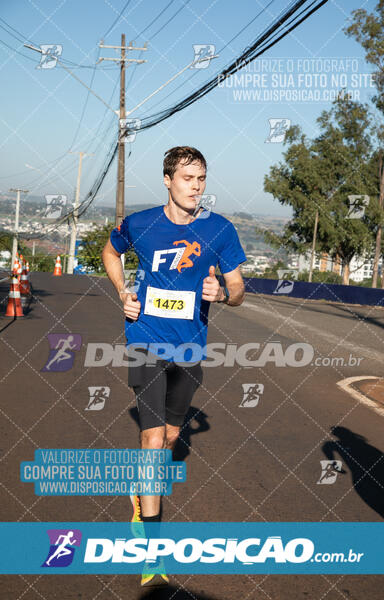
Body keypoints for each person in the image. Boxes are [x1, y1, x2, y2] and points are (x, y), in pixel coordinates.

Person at [102, 146, 246, 586]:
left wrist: (220, 293)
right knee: (150, 440)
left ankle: (138, 497)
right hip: (145, 343)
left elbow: (239, 287)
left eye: (201, 178)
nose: (196, 186)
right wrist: (124, 290)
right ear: (168, 180)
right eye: (187, 178)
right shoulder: (141, 224)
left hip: (189, 350)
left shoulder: (219, 231)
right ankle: (152, 550)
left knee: (167, 438)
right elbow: (111, 252)